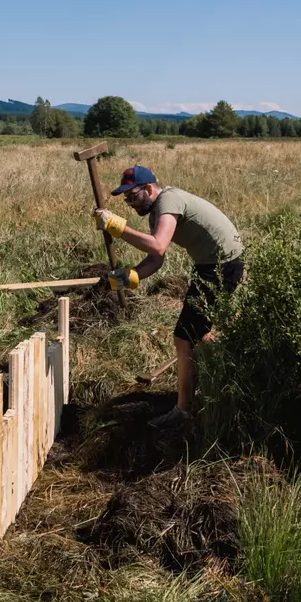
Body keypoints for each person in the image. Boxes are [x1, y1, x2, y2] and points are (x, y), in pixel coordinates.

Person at [94, 165, 244, 427]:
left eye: (132, 196)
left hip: (222, 267)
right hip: (211, 266)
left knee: (183, 337)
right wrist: (130, 276)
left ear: (148, 189)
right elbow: (156, 259)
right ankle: (221, 378)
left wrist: (117, 226)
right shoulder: (157, 212)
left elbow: (158, 244)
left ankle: (183, 411)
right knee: (198, 333)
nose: (130, 203)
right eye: (126, 199)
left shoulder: (169, 200)